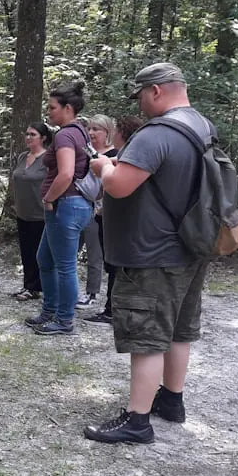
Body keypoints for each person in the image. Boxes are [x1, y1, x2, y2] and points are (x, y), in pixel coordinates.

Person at [83, 63, 213, 444]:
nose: (139, 104)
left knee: (147, 335)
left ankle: (137, 421)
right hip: (191, 245)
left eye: (141, 95)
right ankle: (171, 399)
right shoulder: (201, 127)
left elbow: (120, 186)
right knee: (178, 329)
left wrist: (105, 165)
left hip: (152, 252)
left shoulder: (156, 134)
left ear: (156, 91)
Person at [24, 81, 94, 336]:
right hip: (72, 205)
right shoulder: (80, 131)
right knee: (45, 259)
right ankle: (50, 310)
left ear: (67, 108)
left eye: (52, 107)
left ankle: (64, 320)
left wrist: (48, 199)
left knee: (65, 265)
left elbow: (65, 174)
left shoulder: (65, 134)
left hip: (65, 204)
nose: (48, 111)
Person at [84, 115, 145, 325]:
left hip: (117, 221)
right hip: (112, 218)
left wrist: (102, 209)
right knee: (113, 265)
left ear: (120, 133)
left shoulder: (127, 157)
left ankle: (112, 310)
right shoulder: (128, 156)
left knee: (115, 264)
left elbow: (115, 187)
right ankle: (113, 307)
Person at [76, 114, 117, 310]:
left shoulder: (113, 155)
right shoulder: (86, 152)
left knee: (94, 253)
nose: (91, 133)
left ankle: (92, 293)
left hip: (99, 210)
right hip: (78, 206)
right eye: (89, 129)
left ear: (107, 132)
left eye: (96, 129)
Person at [10, 122, 51, 302]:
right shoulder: (22, 157)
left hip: (40, 213)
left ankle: (40, 287)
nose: (28, 137)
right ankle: (29, 285)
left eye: (33, 134)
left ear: (43, 138)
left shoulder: (48, 158)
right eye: (27, 134)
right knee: (26, 251)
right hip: (23, 212)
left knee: (39, 252)